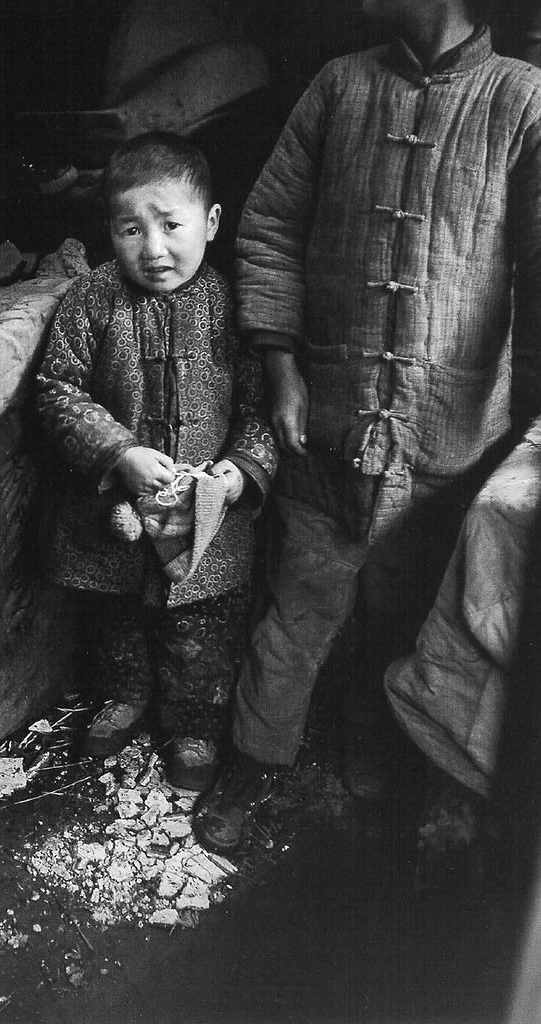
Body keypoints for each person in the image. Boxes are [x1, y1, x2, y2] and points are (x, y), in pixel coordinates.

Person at [193, 0, 541, 852]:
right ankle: (253, 762)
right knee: (295, 611)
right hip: (325, 428)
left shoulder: (520, 99)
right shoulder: (338, 86)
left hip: (445, 441)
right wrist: (279, 368)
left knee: (402, 613)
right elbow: (269, 228)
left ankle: (373, 746)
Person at [36, 132, 277, 791]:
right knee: (114, 614)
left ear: (210, 221)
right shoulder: (90, 300)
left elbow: (264, 409)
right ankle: (123, 695)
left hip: (206, 515)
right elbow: (56, 388)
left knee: (199, 628)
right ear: (108, 231)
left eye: (170, 225)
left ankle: (193, 725)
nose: (153, 248)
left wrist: (237, 472)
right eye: (129, 229)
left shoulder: (231, 305)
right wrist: (120, 451)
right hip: (113, 511)